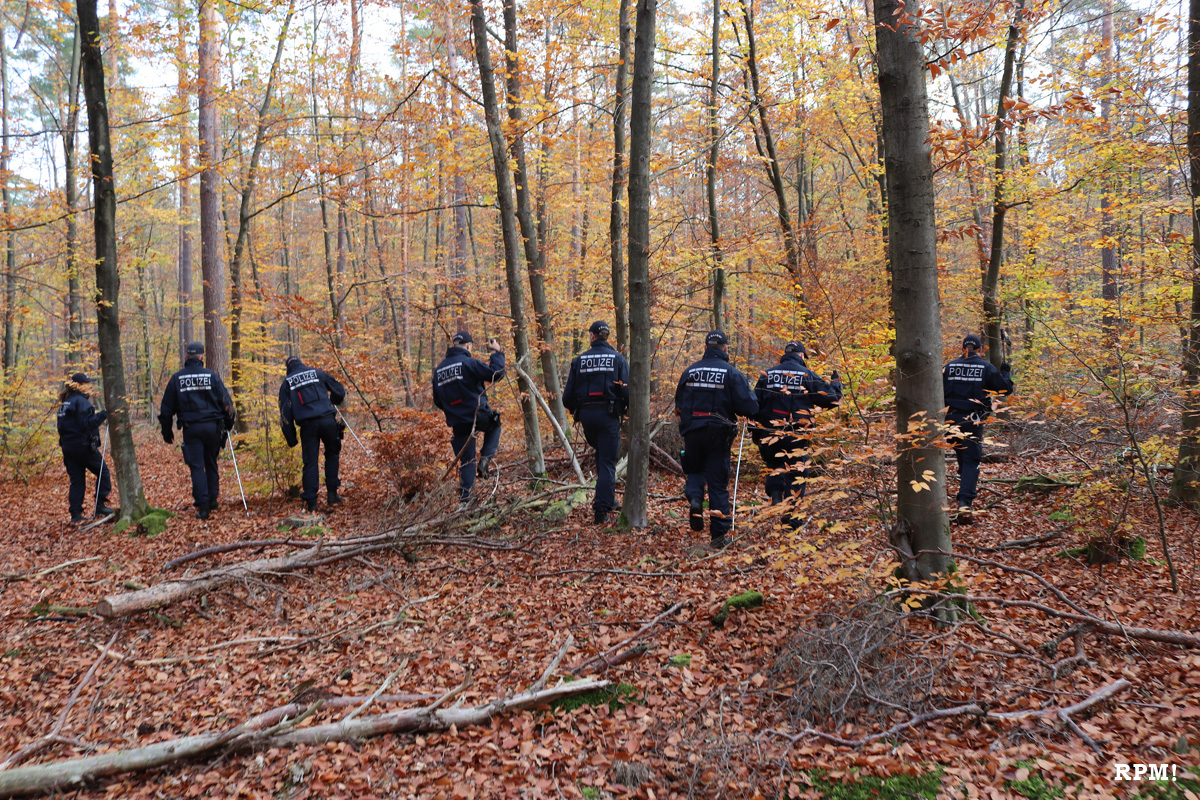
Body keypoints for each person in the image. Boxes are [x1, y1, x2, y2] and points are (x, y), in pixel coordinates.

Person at [675, 330, 759, 549]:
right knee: (717, 484)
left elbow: (679, 404)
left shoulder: (690, 372)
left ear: (705, 348)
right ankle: (719, 537)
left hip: (692, 431)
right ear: (725, 349)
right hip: (718, 435)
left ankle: (695, 498)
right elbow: (749, 407)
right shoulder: (731, 374)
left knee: (694, 469)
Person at [753, 342, 842, 519]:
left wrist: (755, 433)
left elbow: (754, 405)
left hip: (771, 431)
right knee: (797, 470)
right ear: (802, 356)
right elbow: (831, 399)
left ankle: (776, 491)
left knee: (774, 463)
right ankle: (791, 517)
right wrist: (836, 384)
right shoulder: (807, 375)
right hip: (798, 432)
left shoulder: (767, 375)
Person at [159, 342, 236, 520]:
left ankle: (203, 505)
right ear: (202, 357)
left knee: (196, 466)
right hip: (212, 427)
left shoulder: (177, 379)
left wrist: (166, 430)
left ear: (186, 356)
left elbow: (166, 408)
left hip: (191, 428)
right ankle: (212, 500)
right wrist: (229, 424)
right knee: (210, 462)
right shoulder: (212, 376)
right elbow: (227, 403)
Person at [563, 320, 629, 525]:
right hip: (608, 416)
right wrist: (624, 410)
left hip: (587, 418)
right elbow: (626, 391)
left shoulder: (579, 360)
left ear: (592, 336)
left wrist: (578, 411)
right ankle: (601, 511)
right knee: (608, 462)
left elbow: (567, 398)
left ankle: (608, 499)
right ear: (606, 336)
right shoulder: (618, 359)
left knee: (603, 458)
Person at [942, 334, 1014, 523]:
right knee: (971, 462)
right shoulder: (985, 367)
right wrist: (1005, 372)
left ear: (963, 347)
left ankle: (963, 495)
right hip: (972, 422)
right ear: (980, 349)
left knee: (963, 459)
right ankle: (965, 505)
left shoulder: (949, 367)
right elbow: (1005, 389)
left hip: (950, 420)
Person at [432, 331, 504, 503]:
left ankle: (466, 503)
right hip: (478, 415)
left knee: (466, 462)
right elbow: (496, 374)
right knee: (495, 424)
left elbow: (437, 400)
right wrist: (496, 352)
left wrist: (454, 410)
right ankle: (485, 459)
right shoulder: (468, 363)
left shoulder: (438, 371)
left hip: (458, 422)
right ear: (469, 346)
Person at [279, 355, 347, 512]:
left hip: (308, 426)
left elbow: (285, 414)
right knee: (332, 455)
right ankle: (332, 494)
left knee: (310, 462)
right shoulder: (318, 373)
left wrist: (291, 438)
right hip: (328, 420)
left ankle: (311, 502)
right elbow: (339, 389)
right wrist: (334, 400)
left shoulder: (288, 382)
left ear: (288, 368)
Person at [57, 372, 113, 523]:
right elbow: (88, 423)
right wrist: (104, 414)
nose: (90, 387)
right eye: (87, 384)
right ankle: (100, 505)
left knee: (77, 480)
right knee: (103, 472)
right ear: (79, 386)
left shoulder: (65, 404)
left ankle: (75, 514)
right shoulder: (81, 402)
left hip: (68, 449)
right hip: (82, 447)